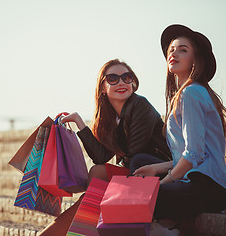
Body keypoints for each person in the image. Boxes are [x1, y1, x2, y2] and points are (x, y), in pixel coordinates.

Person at [39, 59, 171, 235]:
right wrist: (80, 123)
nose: (121, 82)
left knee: (98, 179)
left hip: (158, 168)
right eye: (113, 79)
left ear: (133, 82)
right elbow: (101, 157)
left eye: (126, 77)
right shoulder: (112, 118)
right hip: (137, 169)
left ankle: (64, 231)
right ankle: (71, 230)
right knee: (97, 174)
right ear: (102, 88)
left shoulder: (140, 105)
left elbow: (135, 151)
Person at [133, 24, 226, 223]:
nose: (174, 54)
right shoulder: (184, 95)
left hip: (207, 187)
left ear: (195, 59)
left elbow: (194, 154)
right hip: (194, 178)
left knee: (146, 197)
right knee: (140, 162)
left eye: (183, 50)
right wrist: (157, 169)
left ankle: (165, 226)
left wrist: (164, 181)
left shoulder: (191, 93)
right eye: (171, 50)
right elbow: (192, 155)